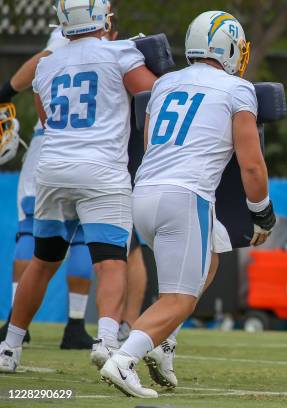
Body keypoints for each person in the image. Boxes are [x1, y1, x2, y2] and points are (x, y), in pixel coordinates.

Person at [100, 10, 275, 398]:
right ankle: (123, 359)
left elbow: (150, 143)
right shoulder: (236, 89)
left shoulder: (165, 84)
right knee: (180, 298)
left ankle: (162, 344)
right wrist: (262, 211)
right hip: (185, 196)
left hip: (143, 192)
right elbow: (251, 162)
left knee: (212, 254)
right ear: (229, 49)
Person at [0, 0, 156, 374]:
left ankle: (9, 346)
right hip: (102, 169)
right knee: (111, 259)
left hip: (52, 169)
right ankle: (105, 340)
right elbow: (154, 96)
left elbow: (45, 117)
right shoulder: (120, 52)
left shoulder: (46, 63)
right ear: (102, 18)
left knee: (44, 259)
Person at [0, 25, 110, 350]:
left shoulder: (68, 37)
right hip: (92, 148)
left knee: (31, 228)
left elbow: (43, 60)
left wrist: (5, 92)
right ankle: (76, 324)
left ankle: (16, 323)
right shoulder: (110, 49)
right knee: (81, 237)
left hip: (51, 144)